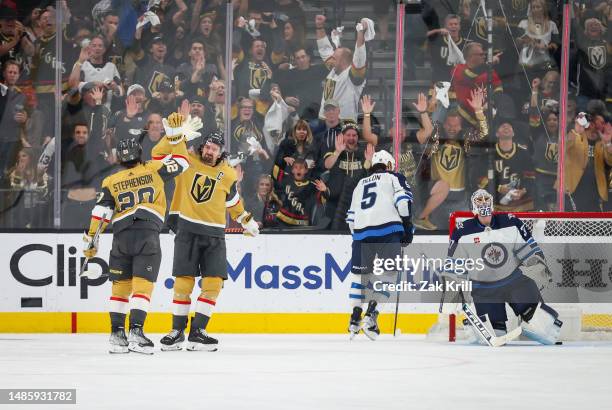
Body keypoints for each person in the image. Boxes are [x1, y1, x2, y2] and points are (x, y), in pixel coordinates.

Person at [82, 112, 193, 354]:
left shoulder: (111, 181)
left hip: (120, 236)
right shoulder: (154, 169)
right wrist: (175, 137)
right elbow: (183, 162)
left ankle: (116, 335)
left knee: (120, 288)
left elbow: (100, 212)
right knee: (142, 287)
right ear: (140, 155)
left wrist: (91, 239)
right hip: (146, 234)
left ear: (119, 159)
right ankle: (137, 332)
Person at [153, 130, 260, 352]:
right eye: (207, 147)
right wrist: (174, 135)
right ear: (202, 147)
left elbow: (233, 204)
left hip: (214, 235)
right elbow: (158, 155)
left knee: (213, 284)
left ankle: (198, 332)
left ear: (221, 152)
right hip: (187, 231)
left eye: (214, 149)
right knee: (183, 284)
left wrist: (246, 220)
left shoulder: (229, 174)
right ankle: (176, 332)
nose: (209, 151)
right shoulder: (186, 162)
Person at [446, 189, 563, 345]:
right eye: (478, 200)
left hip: (514, 281)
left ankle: (533, 321)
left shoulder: (511, 222)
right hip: (483, 289)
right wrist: (455, 292)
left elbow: (528, 251)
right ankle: (476, 325)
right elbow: (455, 266)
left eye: (485, 198)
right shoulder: (462, 231)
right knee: (492, 335)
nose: (483, 202)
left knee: (545, 329)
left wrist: (538, 268)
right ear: (473, 206)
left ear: (492, 202)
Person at [346, 150, 413, 340]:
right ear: (389, 165)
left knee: (360, 277)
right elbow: (403, 204)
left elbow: (350, 218)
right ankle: (371, 316)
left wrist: (359, 236)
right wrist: (407, 229)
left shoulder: (360, 183)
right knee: (388, 274)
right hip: (388, 231)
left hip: (360, 235)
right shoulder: (394, 177)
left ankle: (354, 318)